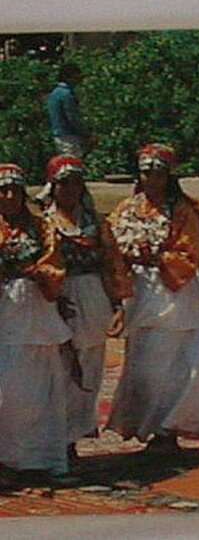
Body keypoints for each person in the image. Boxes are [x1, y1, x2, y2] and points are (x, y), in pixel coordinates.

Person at [105, 143, 199, 453]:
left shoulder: (182, 211)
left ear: (168, 176)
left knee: (174, 366)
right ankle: (146, 425)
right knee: (144, 364)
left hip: (176, 294)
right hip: (140, 292)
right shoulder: (126, 208)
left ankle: (167, 430)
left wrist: (157, 257)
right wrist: (126, 265)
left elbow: (189, 253)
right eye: (146, 173)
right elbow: (110, 248)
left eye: (158, 173)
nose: (151, 179)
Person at [42, 154, 131, 460]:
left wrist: (118, 303)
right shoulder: (42, 222)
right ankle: (53, 435)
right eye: (64, 183)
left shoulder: (95, 223)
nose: (70, 189)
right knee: (58, 368)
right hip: (57, 296)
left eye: (76, 183)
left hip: (92, 295)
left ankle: (73, 436)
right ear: (53, 186)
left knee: (90, 365)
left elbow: (112, 263)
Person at [0, 164, 72, 483]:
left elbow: (54, 265)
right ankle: (6, 459)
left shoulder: (42, 226)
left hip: (36, 311)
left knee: (41, 391)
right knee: (7, 391)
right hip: (5, 312)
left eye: (15, 191)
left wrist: (35, 272)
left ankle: (39, 459)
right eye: (3, 191)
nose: (9, 197)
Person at [46, 63, 93, 158]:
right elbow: (72, 118)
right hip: (69, 137)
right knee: (73, 162)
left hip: (59, 135)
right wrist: (85, 134)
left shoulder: (54, 93)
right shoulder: (66, 95)